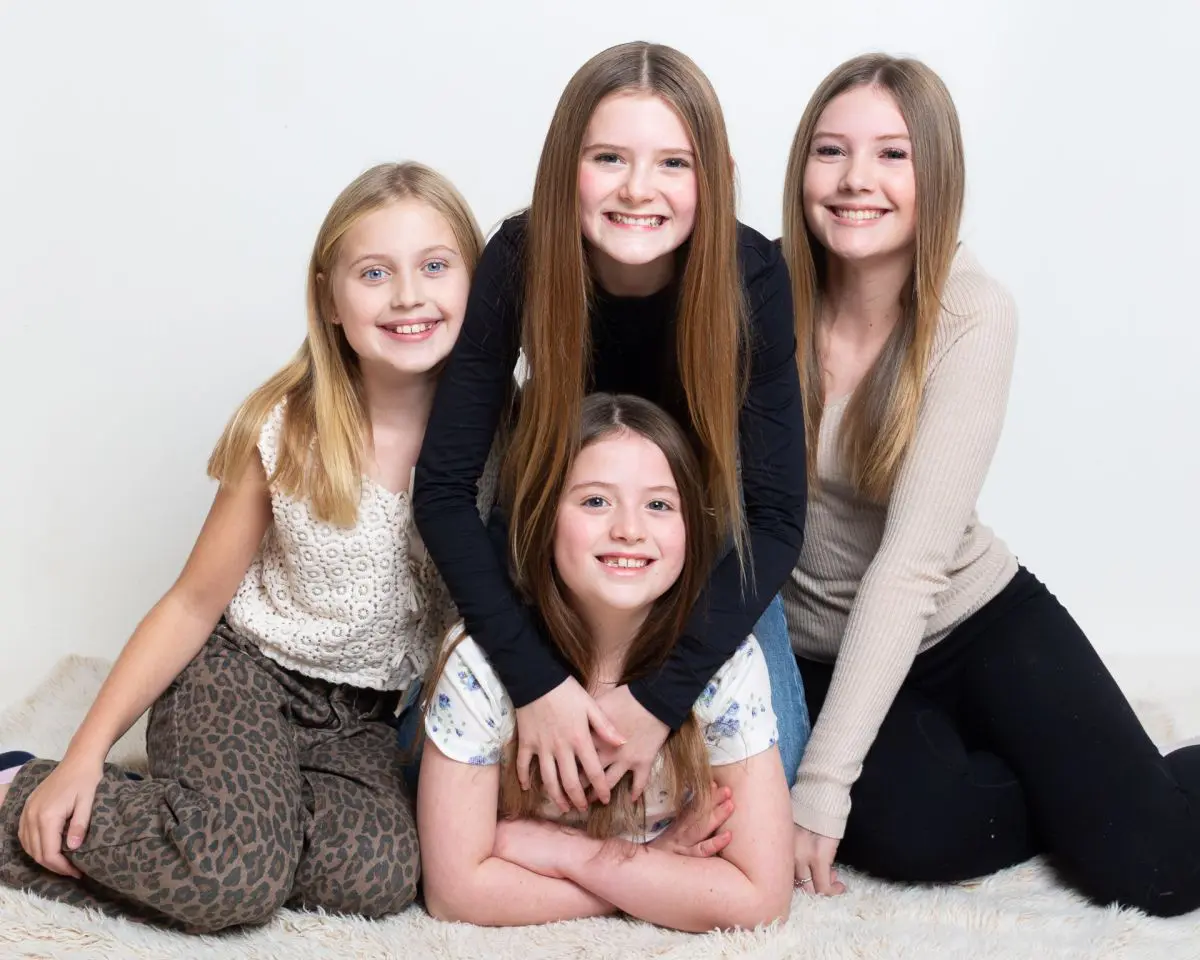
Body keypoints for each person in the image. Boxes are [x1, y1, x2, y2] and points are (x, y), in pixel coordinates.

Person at [0, 162, 493, 932]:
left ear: (478, 282)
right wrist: (85, 755)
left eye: (435, 266)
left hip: (359, 717)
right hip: (239, 677)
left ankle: (226, 826)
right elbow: (193, 603)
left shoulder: (506, 435)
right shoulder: (287, 425)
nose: (408, 295)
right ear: (330, 297)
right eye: (374, 272)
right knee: (232, 878)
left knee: (382, 875)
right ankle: (16, 791)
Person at [779, 53, 1200, 917]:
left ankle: (1122, 786)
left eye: (893, 154)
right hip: (823, 646)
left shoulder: (973, 311)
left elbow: (910, 565)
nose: (858, 179)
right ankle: (1069, 783)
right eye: (832, 150)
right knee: (914, 838)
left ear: (938, 172)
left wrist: (821, 785)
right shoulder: (754, 289)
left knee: (1156, 870)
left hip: (966, 614)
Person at [411, 40, 809, 817]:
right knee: (437, 775)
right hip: (555, 540)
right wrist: (537, 684)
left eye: (672, 163)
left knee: (760, 781)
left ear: (713, 178)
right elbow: (446, 491)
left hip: (693, 552)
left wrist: (659, 701)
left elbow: (775, 518)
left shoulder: (751, 276)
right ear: (568, 168)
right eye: (609, 159)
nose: (638, 189)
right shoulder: (519, 260)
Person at [417, 392, 794, 930]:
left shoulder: (724, 663)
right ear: (543, 516)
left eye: (659, 505)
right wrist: (657, 879)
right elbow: (457, 893)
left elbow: (761, 901)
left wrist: (571, 855)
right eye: (595, 501)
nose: (629, 530)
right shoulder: (482, 663)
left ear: (692, 530)